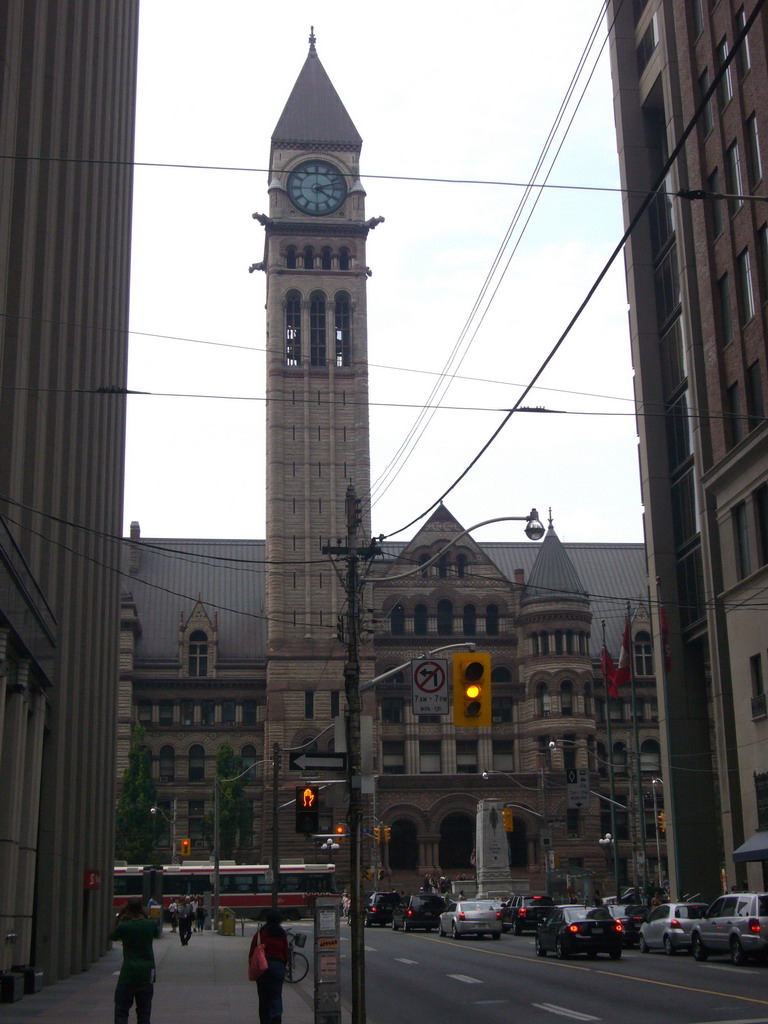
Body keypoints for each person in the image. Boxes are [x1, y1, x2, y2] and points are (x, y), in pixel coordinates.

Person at [110, 897, 156, 1024]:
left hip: (128, 973)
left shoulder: (124, 926)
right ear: (141, 908)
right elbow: (156, 933)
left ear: (128, 909)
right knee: (144, 1013)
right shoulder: (150, 924)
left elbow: (112, 935)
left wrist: (119, 917)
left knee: (121, 1011)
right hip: (147, 973)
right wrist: (145, 916)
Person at [250, 909, 289, 1024]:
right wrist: (284, 965)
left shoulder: (261, 932)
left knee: (263, 997)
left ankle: (265, 1020)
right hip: (278, 966)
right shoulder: (281, 933)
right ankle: (276, 1018)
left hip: (263, 967)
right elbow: (285, 951)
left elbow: (252, 950)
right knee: (276, 995)